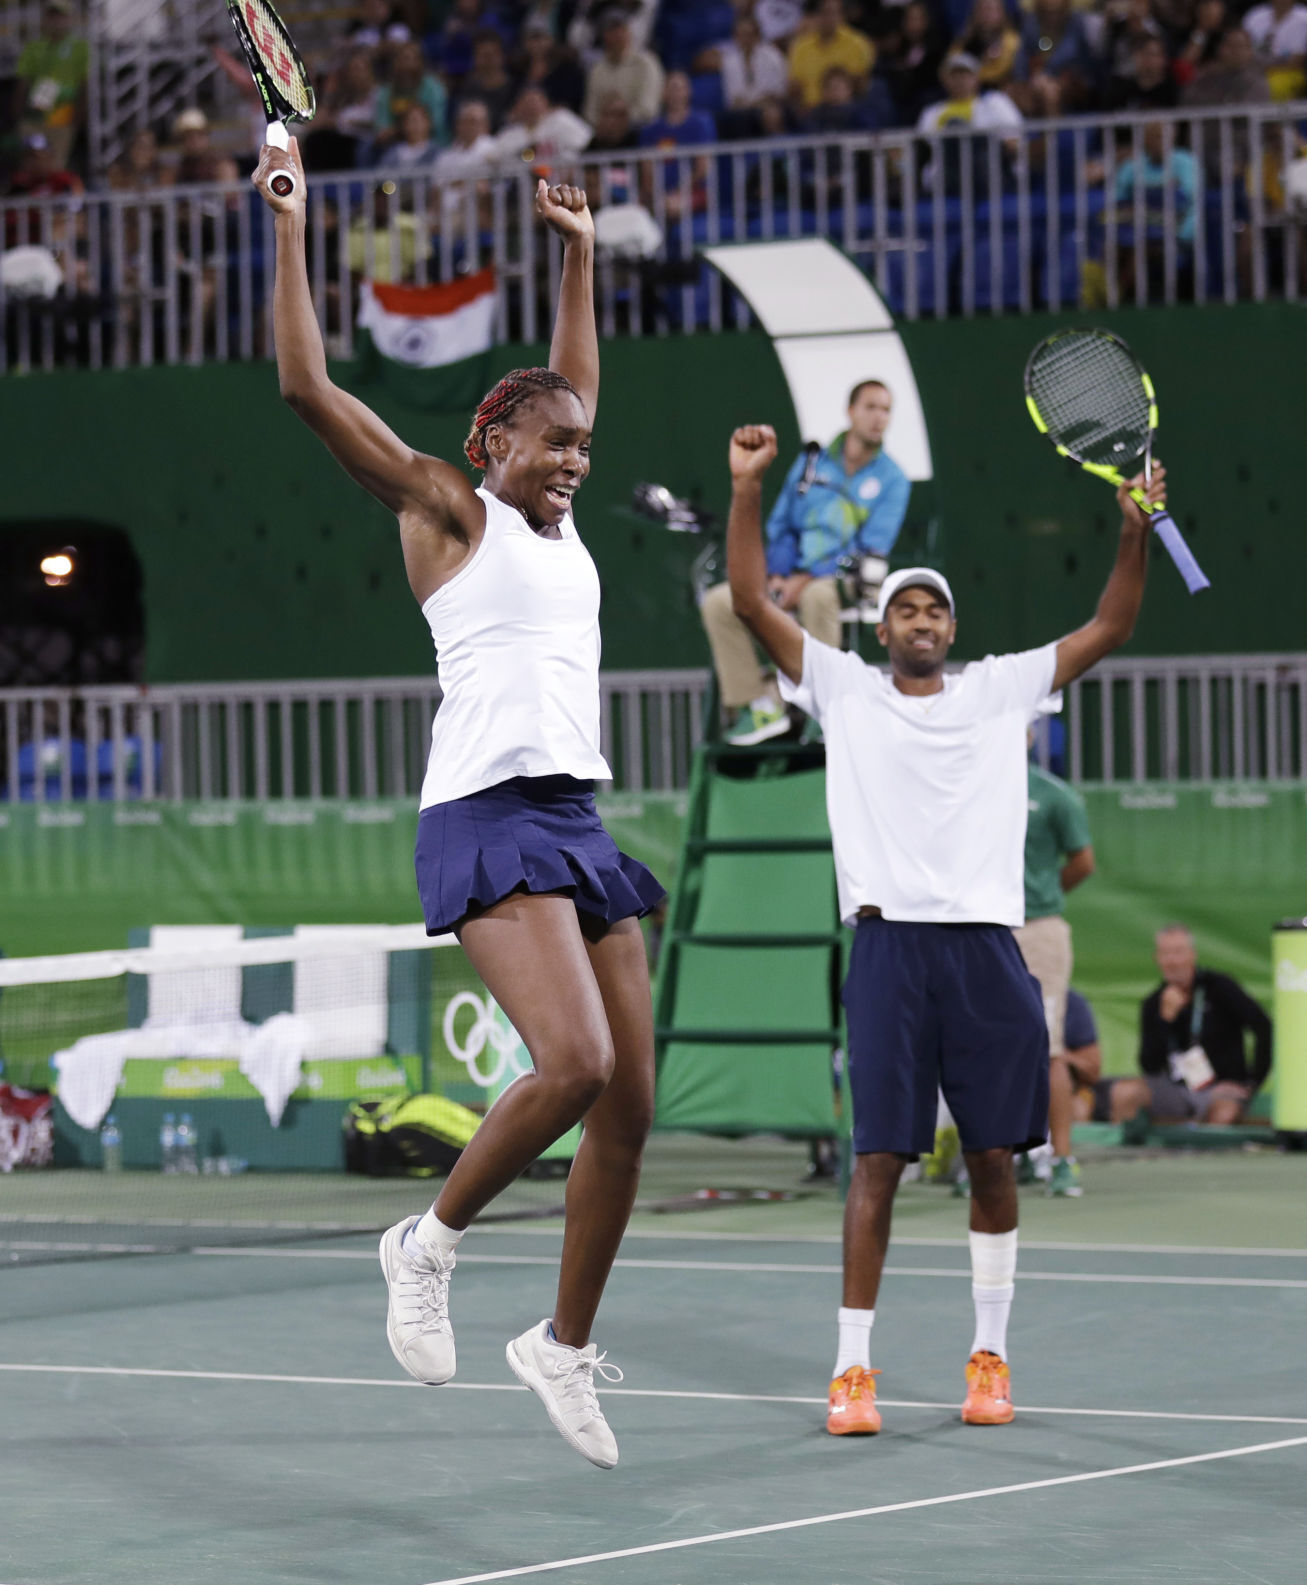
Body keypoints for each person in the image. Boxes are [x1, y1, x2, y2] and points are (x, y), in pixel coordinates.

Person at [253, 141, 664, 1470]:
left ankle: (559, 1343)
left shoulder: (561, 517)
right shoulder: (446, 508)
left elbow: (572, 379)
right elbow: (306, 387)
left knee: (630, 1104)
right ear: (492, 446)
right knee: (575, 1062)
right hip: (485, 816)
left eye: (582, 447)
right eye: (553, 444)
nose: (574, 459)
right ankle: (423, 1245)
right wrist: (290, 226)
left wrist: (577, 255)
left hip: (575, 820)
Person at [724, 420, 1165, 1436]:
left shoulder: (1001, 687)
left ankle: (988, 1356)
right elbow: (749, 600)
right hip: (887, 950)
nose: (920, 619)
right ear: (881, 629)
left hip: (985, 951)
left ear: (951, 628)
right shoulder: (842, 688)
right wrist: (747, 489)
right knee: (876, 1160)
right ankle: (851, 1370)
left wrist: (1131, 529)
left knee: (992, 1158)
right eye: (904, 608)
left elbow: (1109, 625)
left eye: (934, 608)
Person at [701, 379, 910, 746]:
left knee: (817, 597)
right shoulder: (812, 462)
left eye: (886, 410)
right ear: (851, 412)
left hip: (849, 580)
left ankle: (822, 708)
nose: (879, 418)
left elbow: (872, 547)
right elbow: (782, 526)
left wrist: (807, 579)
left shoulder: (893, 479)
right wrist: (778, 576)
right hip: (791, 575)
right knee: (720, 601)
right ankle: (758, 707)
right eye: (871, 407)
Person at [1014, 732, 1094, 1198]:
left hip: (1039, 931)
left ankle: (1062, 1160)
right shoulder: (965, 786)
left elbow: (1083, 861)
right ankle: (998, 1156)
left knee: (1048, 1049)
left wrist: (1043, 894)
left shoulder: (1054, 796)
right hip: (983, 931)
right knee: (982, 1049)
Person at [1100, 926, 1273, 1128]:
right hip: (1175, 1089)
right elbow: (1149, 1065)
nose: (1173, 961)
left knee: (1224, 1113)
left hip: (1220, 1090)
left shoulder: (1219, 987)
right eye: (1166, 954)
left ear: (1192, 955)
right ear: (1157, 958)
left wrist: (1251, 1083)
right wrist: (1165, 1020)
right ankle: (1126, 1143)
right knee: (1124, 1092)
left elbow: (1264, 1027)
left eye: (1178, 952)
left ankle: (1211, 1146)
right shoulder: (1153, 1003)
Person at [13, 0, 88, 172]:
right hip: (35, 116)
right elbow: (23, 81)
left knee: (56, 167)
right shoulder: (33, 47)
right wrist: (18, 117)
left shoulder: (80, 47)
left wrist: (77, 117)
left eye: (61, 16)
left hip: (63, 117)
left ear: (69, 19)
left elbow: (85, 84)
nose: (56, 22)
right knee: (30, 165)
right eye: (52, 16)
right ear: (45, 19)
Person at [582, 10, 666, 129]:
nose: (617, 35)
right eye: (611, 30)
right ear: (604, 35)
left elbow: (648, 109)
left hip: (638, 130)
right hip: (603, 131)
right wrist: (606, 122)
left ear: (629, 32)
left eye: (620, 29)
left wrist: (620, 118)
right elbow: (590, 112)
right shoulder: (597, 70)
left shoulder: (646, 63)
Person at [788, 0, 876, 111]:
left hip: (848, 110)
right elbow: (795, 88)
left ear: (842, 15)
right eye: (824, 13)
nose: (829, 18)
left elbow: (863, 86)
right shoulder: (801, 48)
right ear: (816, 16)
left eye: (833, 13)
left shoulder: (859, 44)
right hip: (811, 112)